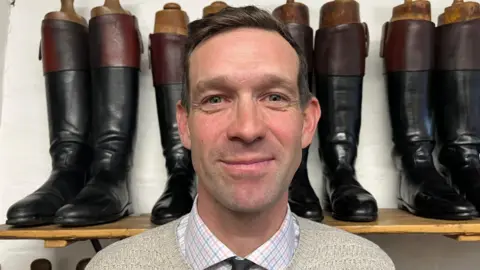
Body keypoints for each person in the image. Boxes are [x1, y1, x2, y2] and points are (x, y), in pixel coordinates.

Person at [86, 5, 395, 270]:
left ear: (307, 122)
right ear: (184, 125)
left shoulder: (367, 265)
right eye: (216, 99)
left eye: (274, 97)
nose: (247, 130)